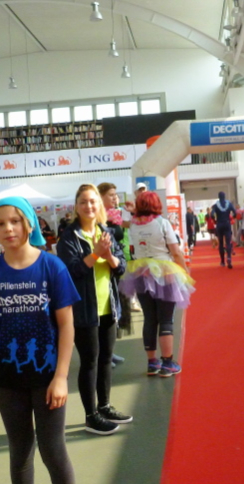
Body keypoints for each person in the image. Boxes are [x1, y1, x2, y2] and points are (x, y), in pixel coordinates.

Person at [0, 197, 78, 484]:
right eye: (0, 223)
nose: (8, 228)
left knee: (53, 451)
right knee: (19, 452)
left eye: (15, 221)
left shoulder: (52, 267)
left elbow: (66, 325)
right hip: (7, 380)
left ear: (30, 224)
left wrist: (61, 377)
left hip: (47, 377)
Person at [57, 184, 131, 436]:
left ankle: (105, 406)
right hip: (84, 309)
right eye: (83, 202)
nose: (89, 206)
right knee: (90, 362)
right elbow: (70, 272)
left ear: (99, 205)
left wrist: (108, 256)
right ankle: (91, 416)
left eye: (92, 201)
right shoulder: (70, 237)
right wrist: (96, 254)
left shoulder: (106, 231)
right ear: (76, 207)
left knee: (106, 359)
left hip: (108, 306)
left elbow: (121, 267)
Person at [119, 191, 194, 377]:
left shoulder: (133, 225)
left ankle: (152, 363)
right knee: (166, 319)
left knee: (150, 318)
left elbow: (125, 222)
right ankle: (168, 363)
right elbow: (175, 251)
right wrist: (184, 270)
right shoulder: (162, 223)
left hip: (140, 273)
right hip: (164, 272)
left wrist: (133, 210)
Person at [97, 182, 132, 363]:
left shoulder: (114, 214)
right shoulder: (98, 217)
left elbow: (128, 227)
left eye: (115, 194)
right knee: (105, 311)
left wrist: (135, 213)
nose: (115, 198)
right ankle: (103, 355)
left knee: (116, 309)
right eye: (111, 194)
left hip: (117, 263)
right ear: (100, 196)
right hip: (103, 267)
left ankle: (109, 352)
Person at [211, 192, 237, 268]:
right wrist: (232, 218)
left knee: (221, 243)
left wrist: (215, 220)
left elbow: (212, 215)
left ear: (218, 197)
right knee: (228, 242)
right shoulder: (229, 204)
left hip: (219, 224)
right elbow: (235, 213)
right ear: (224, 196)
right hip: (227, 223)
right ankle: (229, 258)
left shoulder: (216, 205)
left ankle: (222, 261)